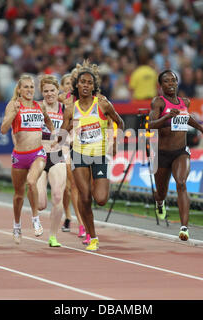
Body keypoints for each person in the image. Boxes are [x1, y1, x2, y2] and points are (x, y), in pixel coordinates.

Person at [55, 61, 124, 251]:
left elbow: (119, 121)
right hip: (79, 155)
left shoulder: (102, 104)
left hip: (100, 155)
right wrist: (64, 136)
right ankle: (92, 236)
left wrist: (114, 140)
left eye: (89, 83)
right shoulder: (70, 109)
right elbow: (62, 132)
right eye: (82, 82)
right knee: (84, 197)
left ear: (94, 87)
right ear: (77, 85)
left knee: (100, 198)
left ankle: (93, 194)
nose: (85, 85)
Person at [148, 70, 203, 241]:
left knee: (181, 183)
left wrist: (202, 129)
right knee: (160, 193)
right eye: (167, 81)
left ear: (177, 83)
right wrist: (167, 117)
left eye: (173, 81)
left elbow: (188, 118)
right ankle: (160, 203)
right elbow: (151, 125)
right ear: (160, 85)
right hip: (161, 153)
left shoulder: (185, 102)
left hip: (180, 152)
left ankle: (184, 227)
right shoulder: (158, 102)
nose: (171, 84)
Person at [0, 74, 55, 244]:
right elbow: (3, 129)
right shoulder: (13, 105)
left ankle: (35, 218)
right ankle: (17, 226)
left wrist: (53, 138)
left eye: (32, 87)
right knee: (18, 195)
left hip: (38, 153)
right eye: (26, 87)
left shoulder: (39, 106)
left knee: (31, 182)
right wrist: (13, 114)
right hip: (19, 156)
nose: (29, 90)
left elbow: (49, 123)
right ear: (19, 90)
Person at [36, 74, 67, 247]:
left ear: (58, 91)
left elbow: (71, 132)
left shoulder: (65, 109)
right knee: (41, 203)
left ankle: (53, 236)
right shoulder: (37, 108)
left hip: (57, 155)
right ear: (42, 92)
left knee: (57, 195)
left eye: (52, 90)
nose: (49, 94)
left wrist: (63, 145)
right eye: (46, 91)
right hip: (39, 154)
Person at [58, 73, 86, 238]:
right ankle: (72, 217)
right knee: (68, 186)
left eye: (71, 83)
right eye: (66, 83)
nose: (69, 85)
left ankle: (74, 218)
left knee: (75, 186)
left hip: (81, 143)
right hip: (65, 143)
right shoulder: (62, 100)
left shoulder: (84, 100)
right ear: (62, 86)